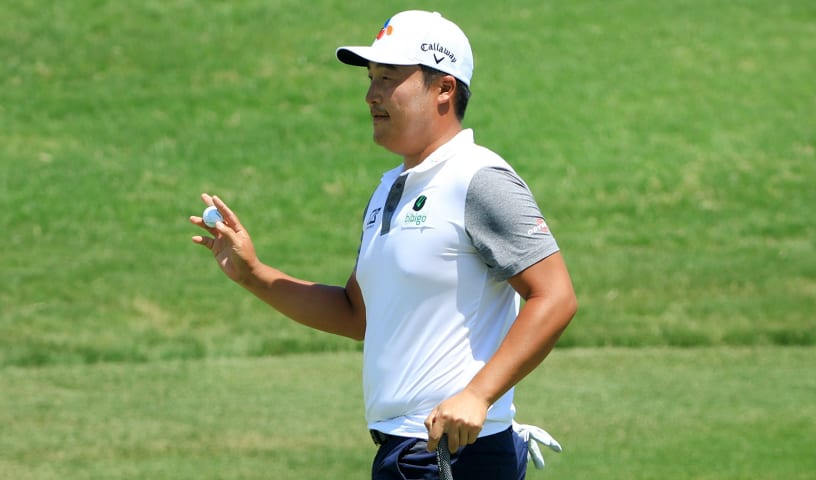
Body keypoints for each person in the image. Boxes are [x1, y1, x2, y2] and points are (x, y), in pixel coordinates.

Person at [190, 10, 577, 480]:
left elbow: (554, 296)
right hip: (405, 454)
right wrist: (254, 274)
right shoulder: (390, 188)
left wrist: (479, 395)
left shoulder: (479, 178)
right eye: (372, 78)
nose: (371, 94)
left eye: (389, 79)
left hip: (454, 455)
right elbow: (358, 314)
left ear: (444, 89)